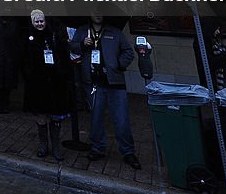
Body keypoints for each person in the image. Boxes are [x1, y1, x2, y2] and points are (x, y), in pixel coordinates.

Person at [70, 15, 141, 169]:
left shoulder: (115, 32)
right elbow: (72, 47)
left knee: (121, 119)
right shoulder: (82, 31)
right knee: (95, 118)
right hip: (93, 82)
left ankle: (128, 151)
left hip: (115, 83)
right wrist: (82, 44)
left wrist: (117, 65)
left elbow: (128, 52)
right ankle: (97, 148)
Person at [21, 10, 72, 160]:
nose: (39, 24)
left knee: (55, 115)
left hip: (55, 82)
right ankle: (43, 145)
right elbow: (24, 59)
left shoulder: (54, 35)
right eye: (36, 21)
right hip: (37, 83)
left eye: (41, 21)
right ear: (32, 22)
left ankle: (56, 147)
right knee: (41, 114)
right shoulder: (28, 38)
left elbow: (63, 55)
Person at [192, 17, 226, 91]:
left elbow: (223, 55)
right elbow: (210, 63)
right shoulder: (203, 43)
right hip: (216, 83)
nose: (218, 32)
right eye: (217, 29)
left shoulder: (216, 41)